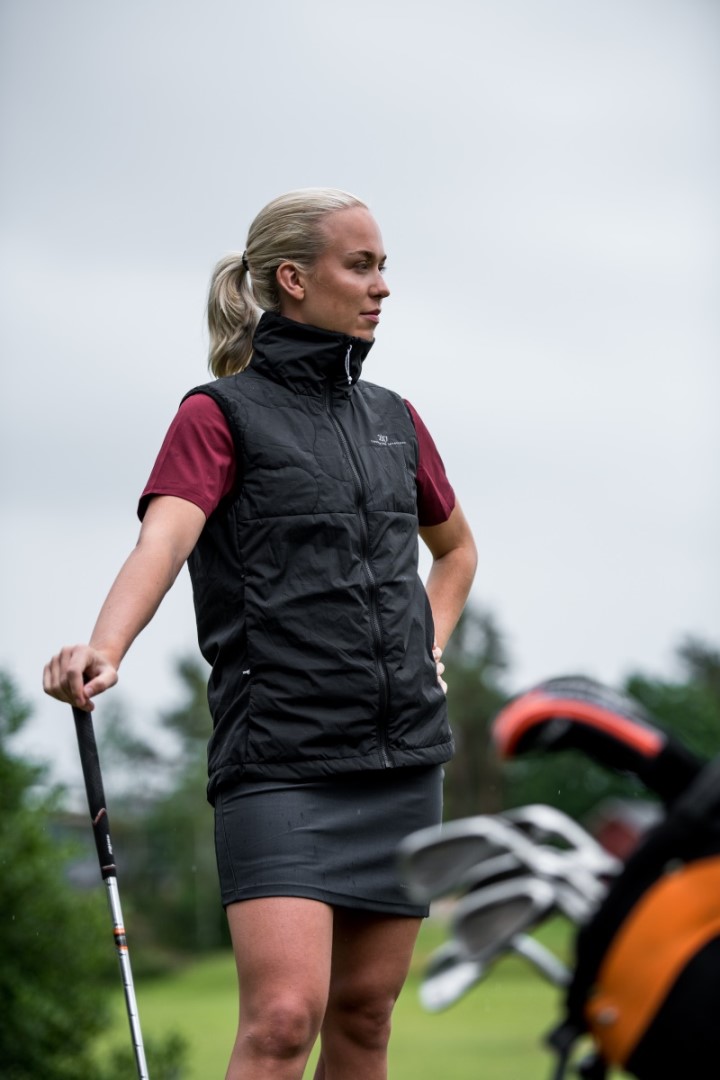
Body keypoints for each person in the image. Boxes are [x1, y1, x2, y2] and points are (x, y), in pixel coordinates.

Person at [43, 187, 477, 1080]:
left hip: (402, 763)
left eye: (383, 266)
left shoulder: (395, 420)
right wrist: (105, 647)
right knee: (283, 1020)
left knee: (365, 1018)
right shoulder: (218, 415)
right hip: (281, 763)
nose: (381, 286)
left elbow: (457, 552)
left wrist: (428, 646)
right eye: (361, 265)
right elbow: (164, 541)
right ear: (293, 279)